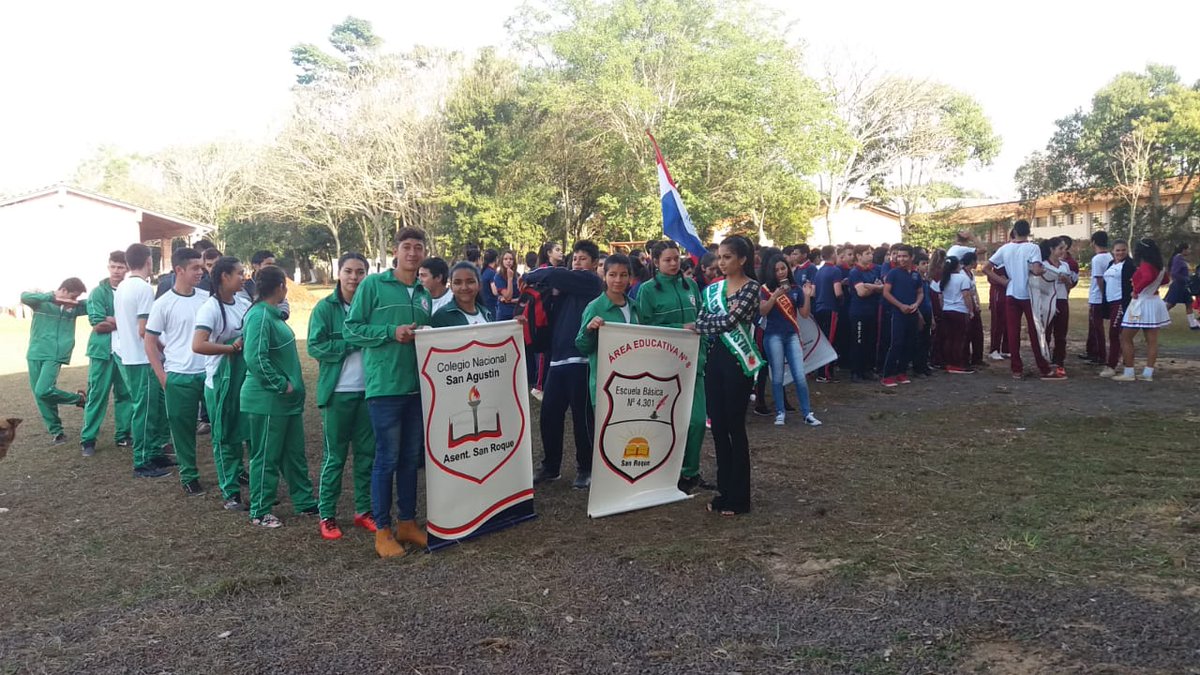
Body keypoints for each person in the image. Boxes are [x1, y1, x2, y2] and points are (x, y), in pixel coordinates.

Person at [345, 227, 434, 557]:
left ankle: (407, 523)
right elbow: (351, 328)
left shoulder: (423, 293)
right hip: (385, 387)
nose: (412, 253)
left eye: (418, 248)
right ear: (395, 251)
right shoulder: (373, 285)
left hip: (416, 388)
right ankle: (382, 529)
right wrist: (389, 332)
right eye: (407, 247)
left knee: (411, 458)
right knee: (387, 458)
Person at [240, 265, 318, 527]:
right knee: (266, 455)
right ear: (281, 287)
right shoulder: (259, 316)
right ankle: (260, 510)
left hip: (287, 402)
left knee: (293, 453)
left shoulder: (272, 314)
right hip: (268, 400)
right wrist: (279, 384)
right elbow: (254, 357)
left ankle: (305, 501)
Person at [523, 240, 604, 489]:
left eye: (583, 258)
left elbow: (551, 274)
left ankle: (586, 468)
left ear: (593, 264)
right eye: (575, 258)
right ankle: (550, 466)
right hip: (557, 360)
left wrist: (532, 274)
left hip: (581, 360)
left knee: (582, 419)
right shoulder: (562, 288)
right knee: (549, 415)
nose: (578, 263)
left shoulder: (591, 282)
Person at [635, 241, 714, 493]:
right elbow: (643, 328)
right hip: (663, 367)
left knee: (697, 421)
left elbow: (701, 317)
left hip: (694, 365)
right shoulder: (647, 291)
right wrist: (678, 329)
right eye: (667, 259)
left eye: (676, 259)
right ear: (655, 262)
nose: (673, 263)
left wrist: (705, 339)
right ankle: (664, 472)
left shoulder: (690, 285)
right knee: (665, 422)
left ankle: (690, 473)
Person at [308, 253, 377, 539]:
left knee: (366, 456)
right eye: (348, 271)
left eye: (360, 272)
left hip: (369, 391)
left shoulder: (373, 307)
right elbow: (315, 346)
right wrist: (349, 343)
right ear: (339, 273)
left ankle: (363, 510)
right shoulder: (325, 308)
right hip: (338, 393)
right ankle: (327, 514)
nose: (354, 277)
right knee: (334, 457)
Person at [692, 236, 762, 516]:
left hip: (738, 361)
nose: (721, 263)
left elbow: (730, 322)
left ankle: (740, 497)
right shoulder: (715, 289)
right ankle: (724, 490)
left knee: (735, 427)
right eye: (719, 257)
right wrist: (708, 324)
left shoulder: (751, 288)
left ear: (742, 259)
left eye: (727, 257)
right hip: (716, 359)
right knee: (718, 426)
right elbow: (700, 319)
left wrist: (707, 324)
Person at [145, 248, 211, 496]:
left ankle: (234, 470)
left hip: (209, 374)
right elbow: (149, 342)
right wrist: (163, 377)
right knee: (183, 430)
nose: (200, 272)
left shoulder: (206, 298)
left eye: (201, 267)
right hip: (179, 376)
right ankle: (189, 475)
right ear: (179, 270)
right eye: (195, 267)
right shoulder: (163, 304)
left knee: (225, 425)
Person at [192, 256, 253, 511]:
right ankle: (230, 492)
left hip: (242, 378)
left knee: (245, 431)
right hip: (219, 381)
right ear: (224, 277)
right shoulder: (210, 308)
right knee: (225, 436)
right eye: (239, 273)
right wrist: (229, 348)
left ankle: (242, 474)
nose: (243, 277)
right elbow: (198, 344)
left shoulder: (242, 301)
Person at [114, 244, 173, 478]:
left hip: (131, 355)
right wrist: (165, 348)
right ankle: (142, 460)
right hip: (143, 358)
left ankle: (155, 451)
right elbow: (144, 330)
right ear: (149, 261)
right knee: (146, 410)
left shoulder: (122, 287)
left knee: (154, 407)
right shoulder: (144, 289)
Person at [984, 220, 1062, 380]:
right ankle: (1044, 368)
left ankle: (1016, 369)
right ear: (1028, 231)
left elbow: (986, 268)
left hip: (1011, 292)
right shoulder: (1032, 247)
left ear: (1014, 231)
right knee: (1035, 330)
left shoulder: (1005, 248)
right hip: (1029, 293)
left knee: (1013, 332)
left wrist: (1003, 281)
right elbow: (1036, 269)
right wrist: (1044, 272)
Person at [22, 278, 89, 444]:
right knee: (41, 395)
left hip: (56, 354)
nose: (74, 300)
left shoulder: (74, 308)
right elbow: (24, 297)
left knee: (43, 390)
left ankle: (79, 400)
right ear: (64, 291)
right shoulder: (42, 303)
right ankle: (57, 432)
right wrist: (52, 297)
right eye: (73, 296)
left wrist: (76, 302)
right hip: (35, 352)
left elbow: (92, 303)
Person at [758, 253, 820, 426]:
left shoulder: (795, 289)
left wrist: (807, 295)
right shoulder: (765, 289)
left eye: (783, 268)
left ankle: (807, 413)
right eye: (776, 270)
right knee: (777, 376)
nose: (780, 272)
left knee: (800, 375)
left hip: (792, 334)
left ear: (788, 268)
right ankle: (780, 412)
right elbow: (762, 311)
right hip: (773, 336)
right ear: (771, 271)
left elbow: (805, 314)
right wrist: (774, 296)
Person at [80, 251, 132, 456]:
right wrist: (123, 322)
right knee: (96, 395)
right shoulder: (98, 292)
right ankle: (88, 439)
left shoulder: (129, 290)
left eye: (121, 267)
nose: (117, 271)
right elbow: (98, 324)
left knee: (125, 394)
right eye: (114, 266)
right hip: (101, 351)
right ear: (108, 266)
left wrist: (112, 320)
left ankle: (123, 435)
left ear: (127, 268)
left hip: (125, 351)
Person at [576, 253, 638, 412]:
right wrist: (590, 330)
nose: (618, 280)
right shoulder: (595, 307)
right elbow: (582, 346)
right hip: (606, 385)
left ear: (630, 278)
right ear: (604, 277)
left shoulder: (636, 307)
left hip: (634, 384)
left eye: (623, 275)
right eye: (613, 275)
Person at [1113, 239, 1171, 382]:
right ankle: (1148, 372)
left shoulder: (1145, 265)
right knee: (1152, 341)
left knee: (1125, 337)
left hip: (1141, 301)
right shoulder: (1159, 266)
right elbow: (1165, 280)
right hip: (1154, 300)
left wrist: (1137, 290)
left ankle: (1129, 371)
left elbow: (1147, 277)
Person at [880, 244, 922, 387]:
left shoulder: (916, 274)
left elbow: (920, 292)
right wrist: (900, 306)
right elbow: (886, 292)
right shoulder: (893, 273)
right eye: (899, 256)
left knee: (909, 343)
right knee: (896, 343)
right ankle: (888, 374)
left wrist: (916, 304)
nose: (901, 259)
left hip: (912, 312)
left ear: (912, 257)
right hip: (897, 313)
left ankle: (901, 372)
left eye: (905, 256)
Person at [1038, 237, 1075, 374]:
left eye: (1064, 248)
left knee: (1061, 334)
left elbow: (1069, 286)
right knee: (1046, 332)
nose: (1063, 251)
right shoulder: (1043, 265)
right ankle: (1044, 361)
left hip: (1062, 300)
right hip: (1047, 301)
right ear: (1051, 249)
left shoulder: (1065, 265)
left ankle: (1059, 361)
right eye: (1060, 248)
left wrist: (1066, 281)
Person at [847, 245, 883, 382]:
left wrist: (870, 286)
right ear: (859, 256)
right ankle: (856, 371)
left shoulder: (875, 269)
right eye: (867, 253)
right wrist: (875, 287)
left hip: (872, 311)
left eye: (871, 253)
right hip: (859, 312)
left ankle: (868, 369)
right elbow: (861, 292)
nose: (870, 256)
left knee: (871, 341)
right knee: (858, 341)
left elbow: (882, 286)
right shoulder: (855, 272)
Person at [1099, 240, 1132, 377]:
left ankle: (1111, 365)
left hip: (1121, 302)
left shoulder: (1129, 265)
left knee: (1114, 333)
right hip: (1111, 302)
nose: (1120, 253)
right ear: (1113, 251)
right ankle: (1125, 360)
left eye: (1123, 250)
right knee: (1116, 334)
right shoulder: (1111, 264)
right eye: (1117, 250)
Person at [812, 246, 842, 383]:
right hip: (831, 308)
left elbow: (813, 292)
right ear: (833, 254)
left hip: (819, 307)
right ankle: (825, 373)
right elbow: (838, 292)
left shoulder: (819, 271)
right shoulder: (835, 271)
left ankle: (821, 371)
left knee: (822, 339)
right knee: (830, 340)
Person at [1082, 231, 1113, 364]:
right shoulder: (1110, 256)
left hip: (1097, 297)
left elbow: (1099, 279)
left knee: (1097, 327)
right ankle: (1092, 351)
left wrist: (1103, 295)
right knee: (1093, 326)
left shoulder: (1097, 259)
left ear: (1094, 242)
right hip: (1102, 296)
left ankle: (1100, 355)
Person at [431, 261, 492, 327]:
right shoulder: (441, 317)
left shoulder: (486, 313)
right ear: (451, 286)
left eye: (470, 282)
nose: (464, 287)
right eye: (457, 283)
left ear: (479, 285)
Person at [960, 253, 985, 366]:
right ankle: (965, 359)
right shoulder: (962, 275)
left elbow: (974, 291)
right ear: (971, 262)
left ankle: (977, 358)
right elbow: (966, 294)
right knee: (967, 334)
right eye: (976, 261)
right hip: (966, 307)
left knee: (978, 334)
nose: (977, 263)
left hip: (974, 306)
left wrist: (977, 304)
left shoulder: (971, 274)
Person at [1164, 243, 1195, 328]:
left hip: (1184, 286)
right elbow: (1174, 273)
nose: (1189, 251)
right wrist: (1185, 278)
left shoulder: (1181, 259)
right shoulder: (1178, 258)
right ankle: (1160, 320)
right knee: (1170, 304)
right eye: (1188, 249)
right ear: (1183, 250)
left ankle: (1193, 324)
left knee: (1189, 303)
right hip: (1178, 285)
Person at [492, 251, 520, 321]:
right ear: (502, 261)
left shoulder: (518, 276)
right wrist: (509, 279)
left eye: (511, 259)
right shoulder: (498, 276)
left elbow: (523, 297)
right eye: (505, 259)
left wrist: (512, 301)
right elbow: (508, 296)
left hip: (517, 313)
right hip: (504, 314)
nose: (508, 261)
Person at [479, 249, 499, 318]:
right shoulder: (492, 273)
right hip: (492, 306)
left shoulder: (483, 272)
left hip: (483, 305)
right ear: (496, 259)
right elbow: (495, 292)